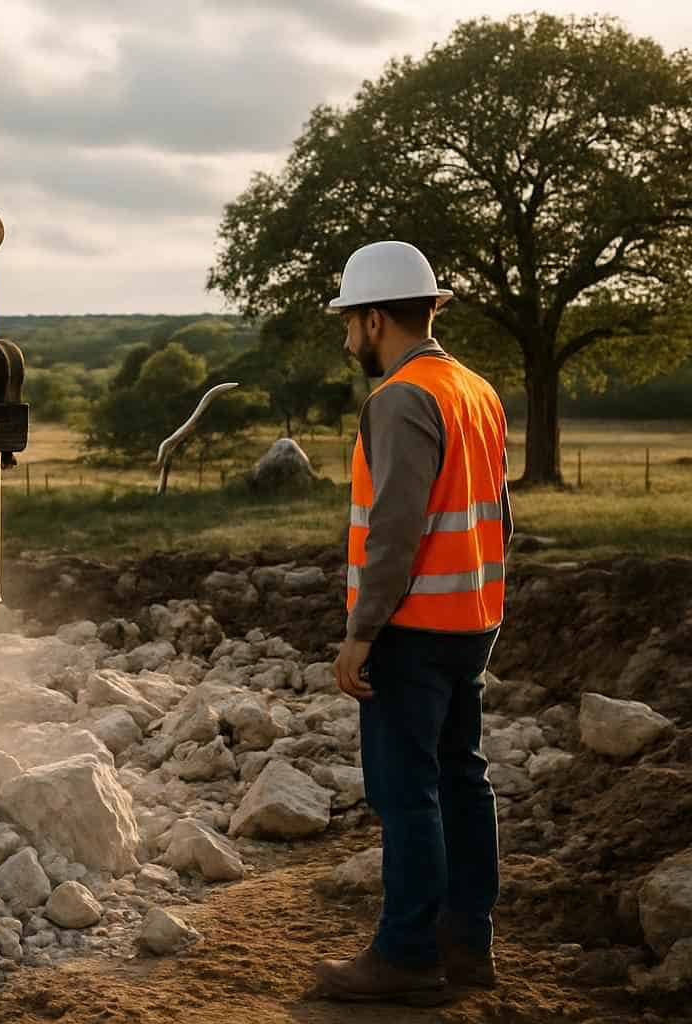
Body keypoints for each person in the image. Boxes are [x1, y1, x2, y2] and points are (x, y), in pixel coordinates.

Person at [312, 240, 513, 1006]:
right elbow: (501, 515)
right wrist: (486, 609)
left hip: (412, 627)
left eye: (347, 323)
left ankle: (404, 955)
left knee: (407, 793)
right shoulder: (475, 389)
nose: (345, 340)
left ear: (372, 320)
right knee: (463, 779)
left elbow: (395, 526)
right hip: (471, 620)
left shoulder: (398, 398)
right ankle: (468, 946)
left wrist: (362, 630)